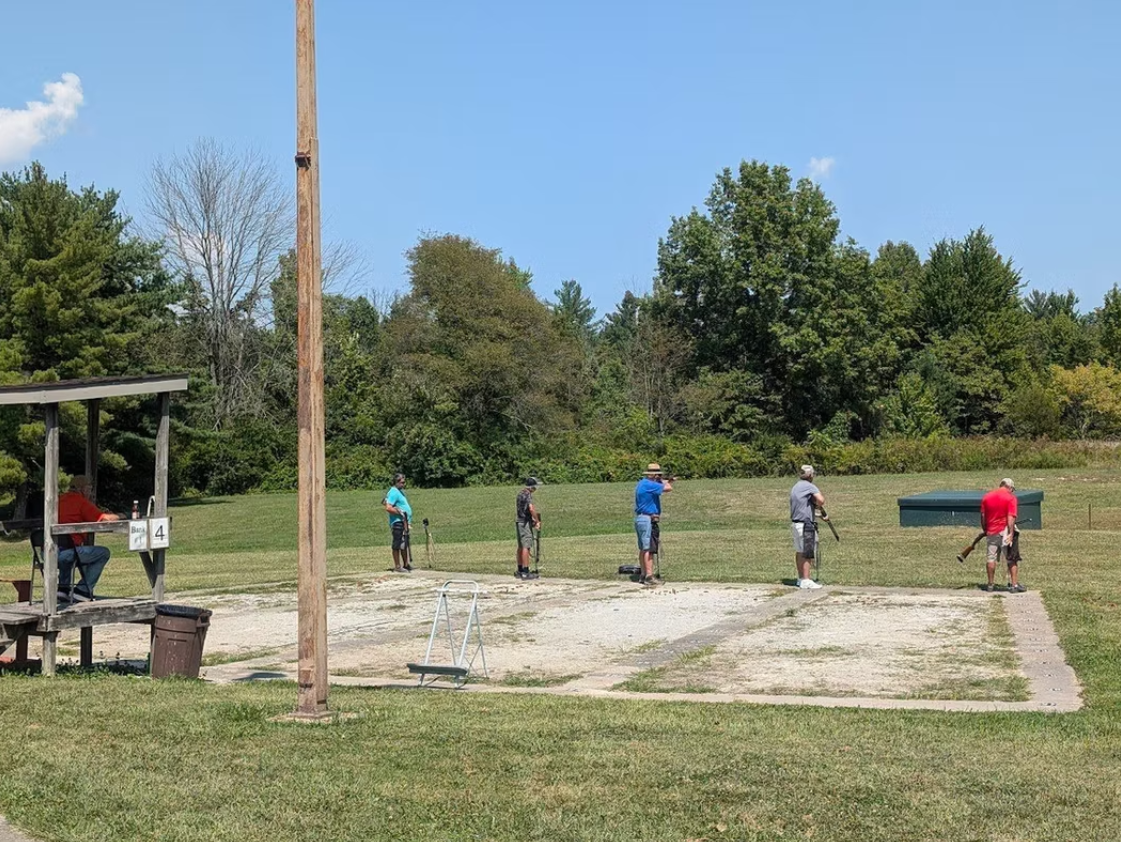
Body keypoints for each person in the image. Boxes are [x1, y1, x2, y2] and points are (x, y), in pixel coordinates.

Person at [57, 475, 120, 601]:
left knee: (71, 548)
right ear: (82, 489)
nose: (91, 492)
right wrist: (120, 516)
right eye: (89, 488)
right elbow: (103, 519)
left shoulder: (58, 499)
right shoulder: (80, 501)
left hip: (47, 554)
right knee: (103, 553)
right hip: (67, 554)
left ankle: (63, 589)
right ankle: (82, 590)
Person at [980, 477, 1024, 593]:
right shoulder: (1011, 498)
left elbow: (983, 516)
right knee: (1011, 558)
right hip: (1005, 531)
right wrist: (1011, 533)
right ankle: (1014, 585)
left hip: (991, 532)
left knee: (991, 558)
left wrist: (985, 530)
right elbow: (1011, 517)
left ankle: (990, 585)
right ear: (1010, 487)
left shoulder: (987, 497)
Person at [634, 463, 673, 587]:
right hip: (648, 519)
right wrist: (665, 481)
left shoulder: (642, 483)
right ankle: (649, 576)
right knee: (649, 549)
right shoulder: (650, 484)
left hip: (641, 518)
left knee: (643, 548)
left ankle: (643, 574)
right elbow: (668, 488)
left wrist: (663, 481)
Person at [790, 465, 827, 590]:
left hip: (796, 523)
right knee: (807, 552)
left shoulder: (796, 487)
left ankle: (801, 579)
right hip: (806, 525)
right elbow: (821, 501)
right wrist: (816, 503)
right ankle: (807, 580)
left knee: (800, 551)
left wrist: (818, 515)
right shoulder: (809, 486)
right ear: (810, 475)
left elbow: (802, 509)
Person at [383, 473, 413, 573]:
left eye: (404, 482)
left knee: (404, 544)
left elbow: (385, 501)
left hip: (404, 522)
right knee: (397, 543)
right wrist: (400, 512)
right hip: (397, 522)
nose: (404, 484)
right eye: (402, 482)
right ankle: (397, 566)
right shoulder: (394, 492)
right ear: (396, 482)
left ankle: (406, 564)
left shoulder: (400, 492)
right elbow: (388, 507)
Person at [515, 477, 543, 580]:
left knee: (520, 546)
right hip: (525, 523)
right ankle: (525, 572)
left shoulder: (520, 493)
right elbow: (531, 509)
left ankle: (520, 569)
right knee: (526, 546)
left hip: (519, 521)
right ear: (531, 487)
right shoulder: (528, 495)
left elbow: (523, 509)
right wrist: (537, 520)